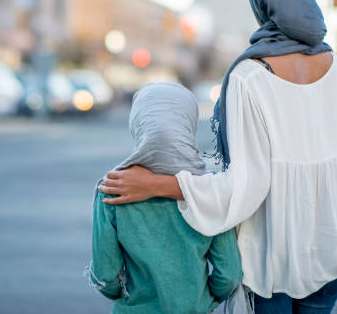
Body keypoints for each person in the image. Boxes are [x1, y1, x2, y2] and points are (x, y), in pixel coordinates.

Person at [99, 0, 337, 314]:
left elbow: (247, 186)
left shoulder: (251, 76)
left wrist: (155, 185)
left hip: (268, 261)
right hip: (331, 256)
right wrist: (333, 227)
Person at [88, 82, 243, 314]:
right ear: (187, 122)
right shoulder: (208, 190)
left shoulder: (113, 186)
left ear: (138, 123)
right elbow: (229, 275)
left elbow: (105, 274)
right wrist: (202, 301)